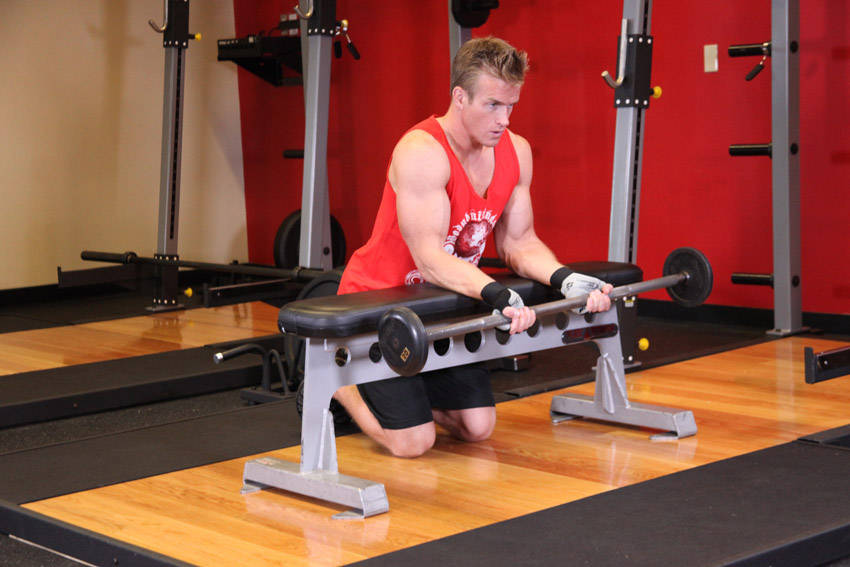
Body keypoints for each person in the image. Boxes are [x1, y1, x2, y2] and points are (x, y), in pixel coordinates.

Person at [334, 37, 613, 458]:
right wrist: (498, 295)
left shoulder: (515, 152)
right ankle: (335, 384)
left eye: (511, 106)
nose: (504, 119)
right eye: (492, 105)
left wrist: (566, 278)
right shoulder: (422, 152)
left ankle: (410, 395)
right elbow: (429, 260)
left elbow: (520, 242)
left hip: (442, 308)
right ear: (459, 97)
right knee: (414, 443)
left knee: (477, 427)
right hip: (378, 309)